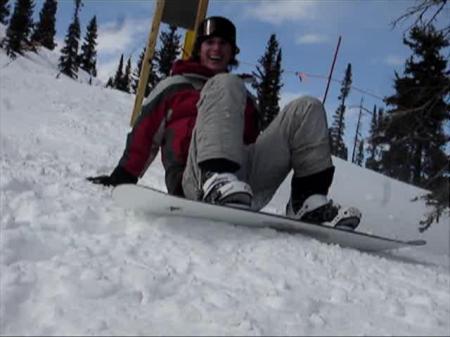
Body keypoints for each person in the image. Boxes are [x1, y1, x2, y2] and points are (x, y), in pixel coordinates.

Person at [88, 16, 361, 229]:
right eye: (209, 42)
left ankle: (307, 202)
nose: (216, 48)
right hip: (193, 182)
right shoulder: (174, 87)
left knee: (307, 107)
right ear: (199, 49)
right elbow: (145, 134)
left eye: (223, 43)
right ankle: (215, 178)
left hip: (242, 186)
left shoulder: (242, 96)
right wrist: (123, 178)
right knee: (226, 83)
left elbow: (253, 146)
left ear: (232, 52)